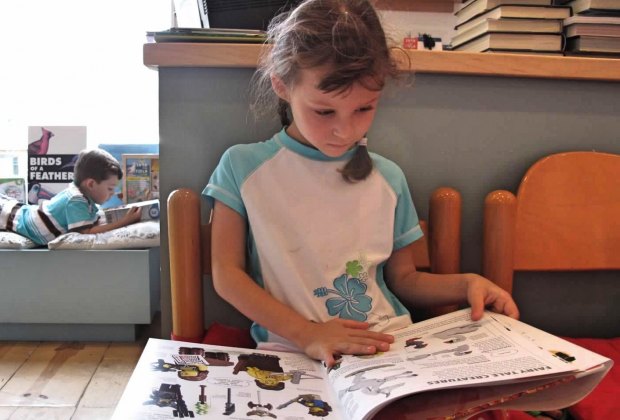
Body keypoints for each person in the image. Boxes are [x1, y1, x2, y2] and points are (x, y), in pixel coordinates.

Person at [204, 0, 519, 367]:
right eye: (324, 111)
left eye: (364, 108)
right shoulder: (242, 168)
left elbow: (405, 280)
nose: (345, 130)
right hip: (295, 351)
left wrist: (466, 284)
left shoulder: (388, 177)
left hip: (391, 344)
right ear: (282, 86)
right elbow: (227, 276)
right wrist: (308, 334)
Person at [0, 148, 142, 245]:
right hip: (13, 218)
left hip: (21, 212)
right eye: (110, 188)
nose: (113, 193)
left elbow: (95, 220)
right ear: (91, 184)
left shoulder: (86, 198)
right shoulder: (76, 200)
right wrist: (125, 221)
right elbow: (86, 232)